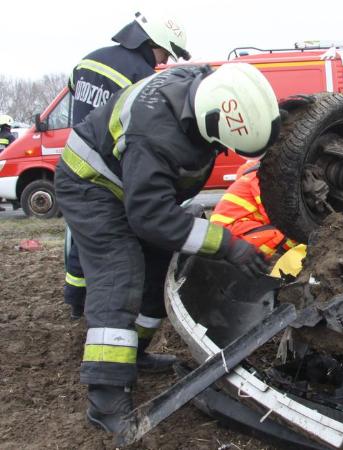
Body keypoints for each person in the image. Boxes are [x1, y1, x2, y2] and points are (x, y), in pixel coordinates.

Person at [55, 62, 281, 434]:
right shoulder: (154, 135)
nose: (223, 150)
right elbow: (149, 216)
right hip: (92, 186)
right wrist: (226, 245)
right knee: (119, 275)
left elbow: (239, 107)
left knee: (160, 269)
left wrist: (276, 119)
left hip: (133, 187)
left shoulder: (205, 87)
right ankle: (105, 396)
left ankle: (134, 356)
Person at [64, 11, 190, 322]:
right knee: (116, 252)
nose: (163, 60)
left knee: (80, 239)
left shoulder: (89, 60)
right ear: (152, 42)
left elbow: (73, 95)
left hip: (76, 160)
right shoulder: (143, 76)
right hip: (112, 169)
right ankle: (105, 314)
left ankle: (75, 301)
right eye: (164, 52)